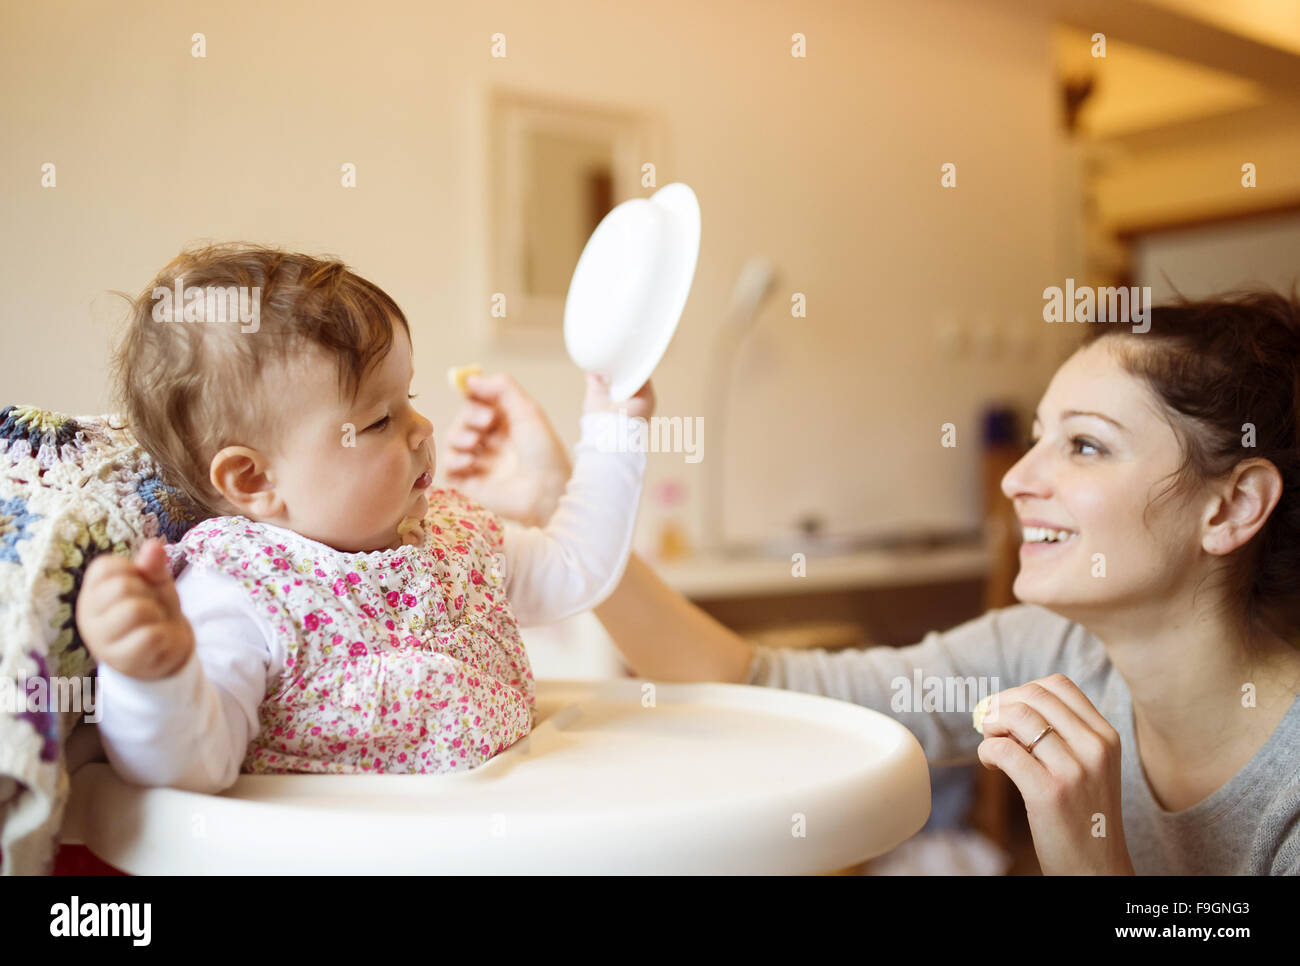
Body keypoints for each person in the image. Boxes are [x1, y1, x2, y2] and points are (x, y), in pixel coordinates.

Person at [445, 290, 1300, 875]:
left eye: (1084, 445)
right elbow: (761, 687)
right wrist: (569, 511)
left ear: (1232, 506)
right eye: (1038, 437)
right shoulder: (1051, 653)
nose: (1015, 481)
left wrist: (1090, 857)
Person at [75, 242, 652, 792]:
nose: (423, 428)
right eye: (379, 420)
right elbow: (191, 767)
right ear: (254, 480)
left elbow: (579, 567)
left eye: (411, 397)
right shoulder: (240, 591)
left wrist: (612, 428)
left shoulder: (456, 537)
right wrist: (153, 676)